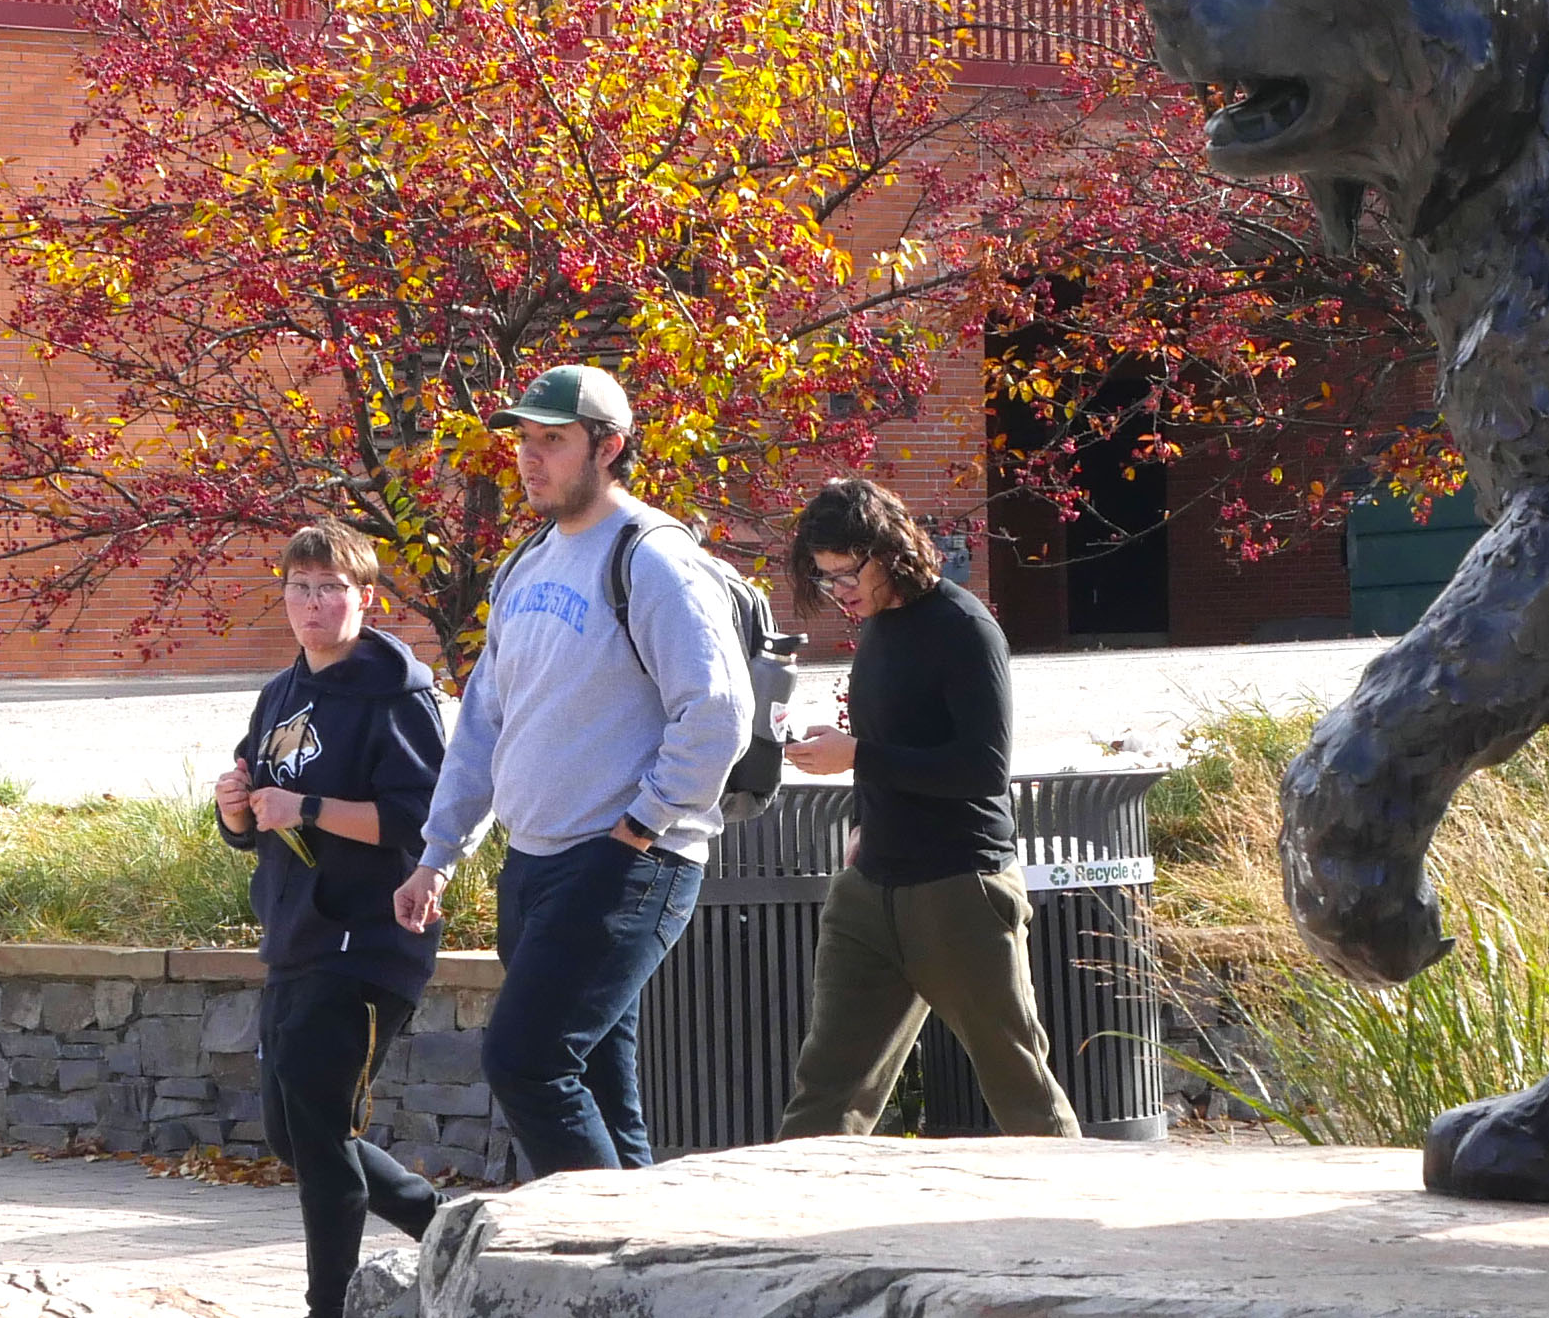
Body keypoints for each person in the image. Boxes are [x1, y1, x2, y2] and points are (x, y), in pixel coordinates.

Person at [394, 364, 750, 1177]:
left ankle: (592, 1263)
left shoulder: (653, 558)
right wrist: (437, 853)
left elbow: (718, 714)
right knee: (595, 1082)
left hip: (625, 860)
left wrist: (643, 823)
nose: (529, 457)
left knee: (527, 1063)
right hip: (534, 862)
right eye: (524, 438)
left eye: (552, 440)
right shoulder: (526, 563)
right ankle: (652, 1278)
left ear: (608, 446)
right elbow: (486, 719)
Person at [773, 479, 1077, 1139]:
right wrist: (865, 816)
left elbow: (981, 768)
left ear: (891, 551)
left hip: (959, 888)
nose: (840, 591)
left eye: (848, 573)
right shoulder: (879, 630)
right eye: (826, 580)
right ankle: (795, 1233)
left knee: (1022, 1092)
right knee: (824, 1097)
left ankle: (1083, 1227)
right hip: (869, 889)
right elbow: (894, 745)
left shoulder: (964, 628)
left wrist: (857, 756)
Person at [210, 520, 448, 1318]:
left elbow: (416, 824)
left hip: (367, 942)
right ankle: (445, 1227)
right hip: (295, 937)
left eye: (329, 589)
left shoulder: (398, 696)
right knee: (295, 1132)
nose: (312, 605)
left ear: (365, 598)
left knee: (318, 1136)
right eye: (299, 589)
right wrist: (236, 810)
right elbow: (254, 819)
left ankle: (329, 1306)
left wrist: (305, 805)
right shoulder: (281, 692)